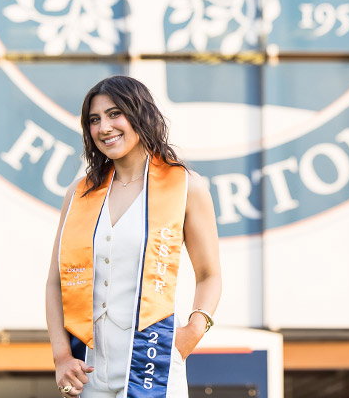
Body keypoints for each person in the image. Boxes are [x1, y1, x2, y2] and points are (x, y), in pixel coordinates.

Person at [45, 75, 222, 398]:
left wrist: (194, 330)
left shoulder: (185, 186)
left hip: (153, 364)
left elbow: (209, 274)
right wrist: (61, 357)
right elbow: (55, 282)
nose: (104, 127)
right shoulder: (79, 193)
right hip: (89, 371)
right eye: (94, 120)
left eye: (115, 114)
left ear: (140, 114)